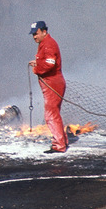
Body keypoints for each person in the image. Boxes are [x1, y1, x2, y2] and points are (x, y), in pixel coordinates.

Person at [28, 20, 67, 153]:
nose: (34, 37)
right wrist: (37, 62)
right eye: (33, 34)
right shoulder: (44, 43)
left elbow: (50, 64)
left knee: (51, 115)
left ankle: (59, 145)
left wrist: (36, 69)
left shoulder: (49, 44)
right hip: (52, 82)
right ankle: (63, 140)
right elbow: (48, 60)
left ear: (44, 32)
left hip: (53, 83)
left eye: (36, 34)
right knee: (54, 113)